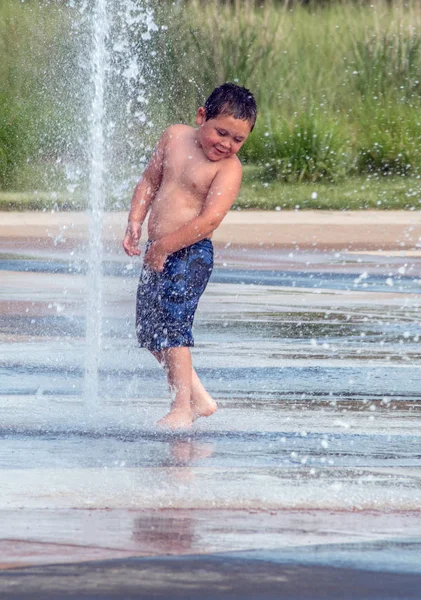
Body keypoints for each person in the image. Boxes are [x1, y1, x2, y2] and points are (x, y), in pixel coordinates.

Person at [123, 82, 257, 430]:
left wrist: (166, 246)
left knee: (173, 328)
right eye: (221, 132)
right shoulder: (174, 137)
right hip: (158, 252)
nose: (227, 144)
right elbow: (150, 181)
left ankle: (182, 406)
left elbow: (210, 219)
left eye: (238, 140)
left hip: (189, 254)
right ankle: (198, 397)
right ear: (202, 117)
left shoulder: (228, 169)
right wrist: (135, 222)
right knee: (150, 331)